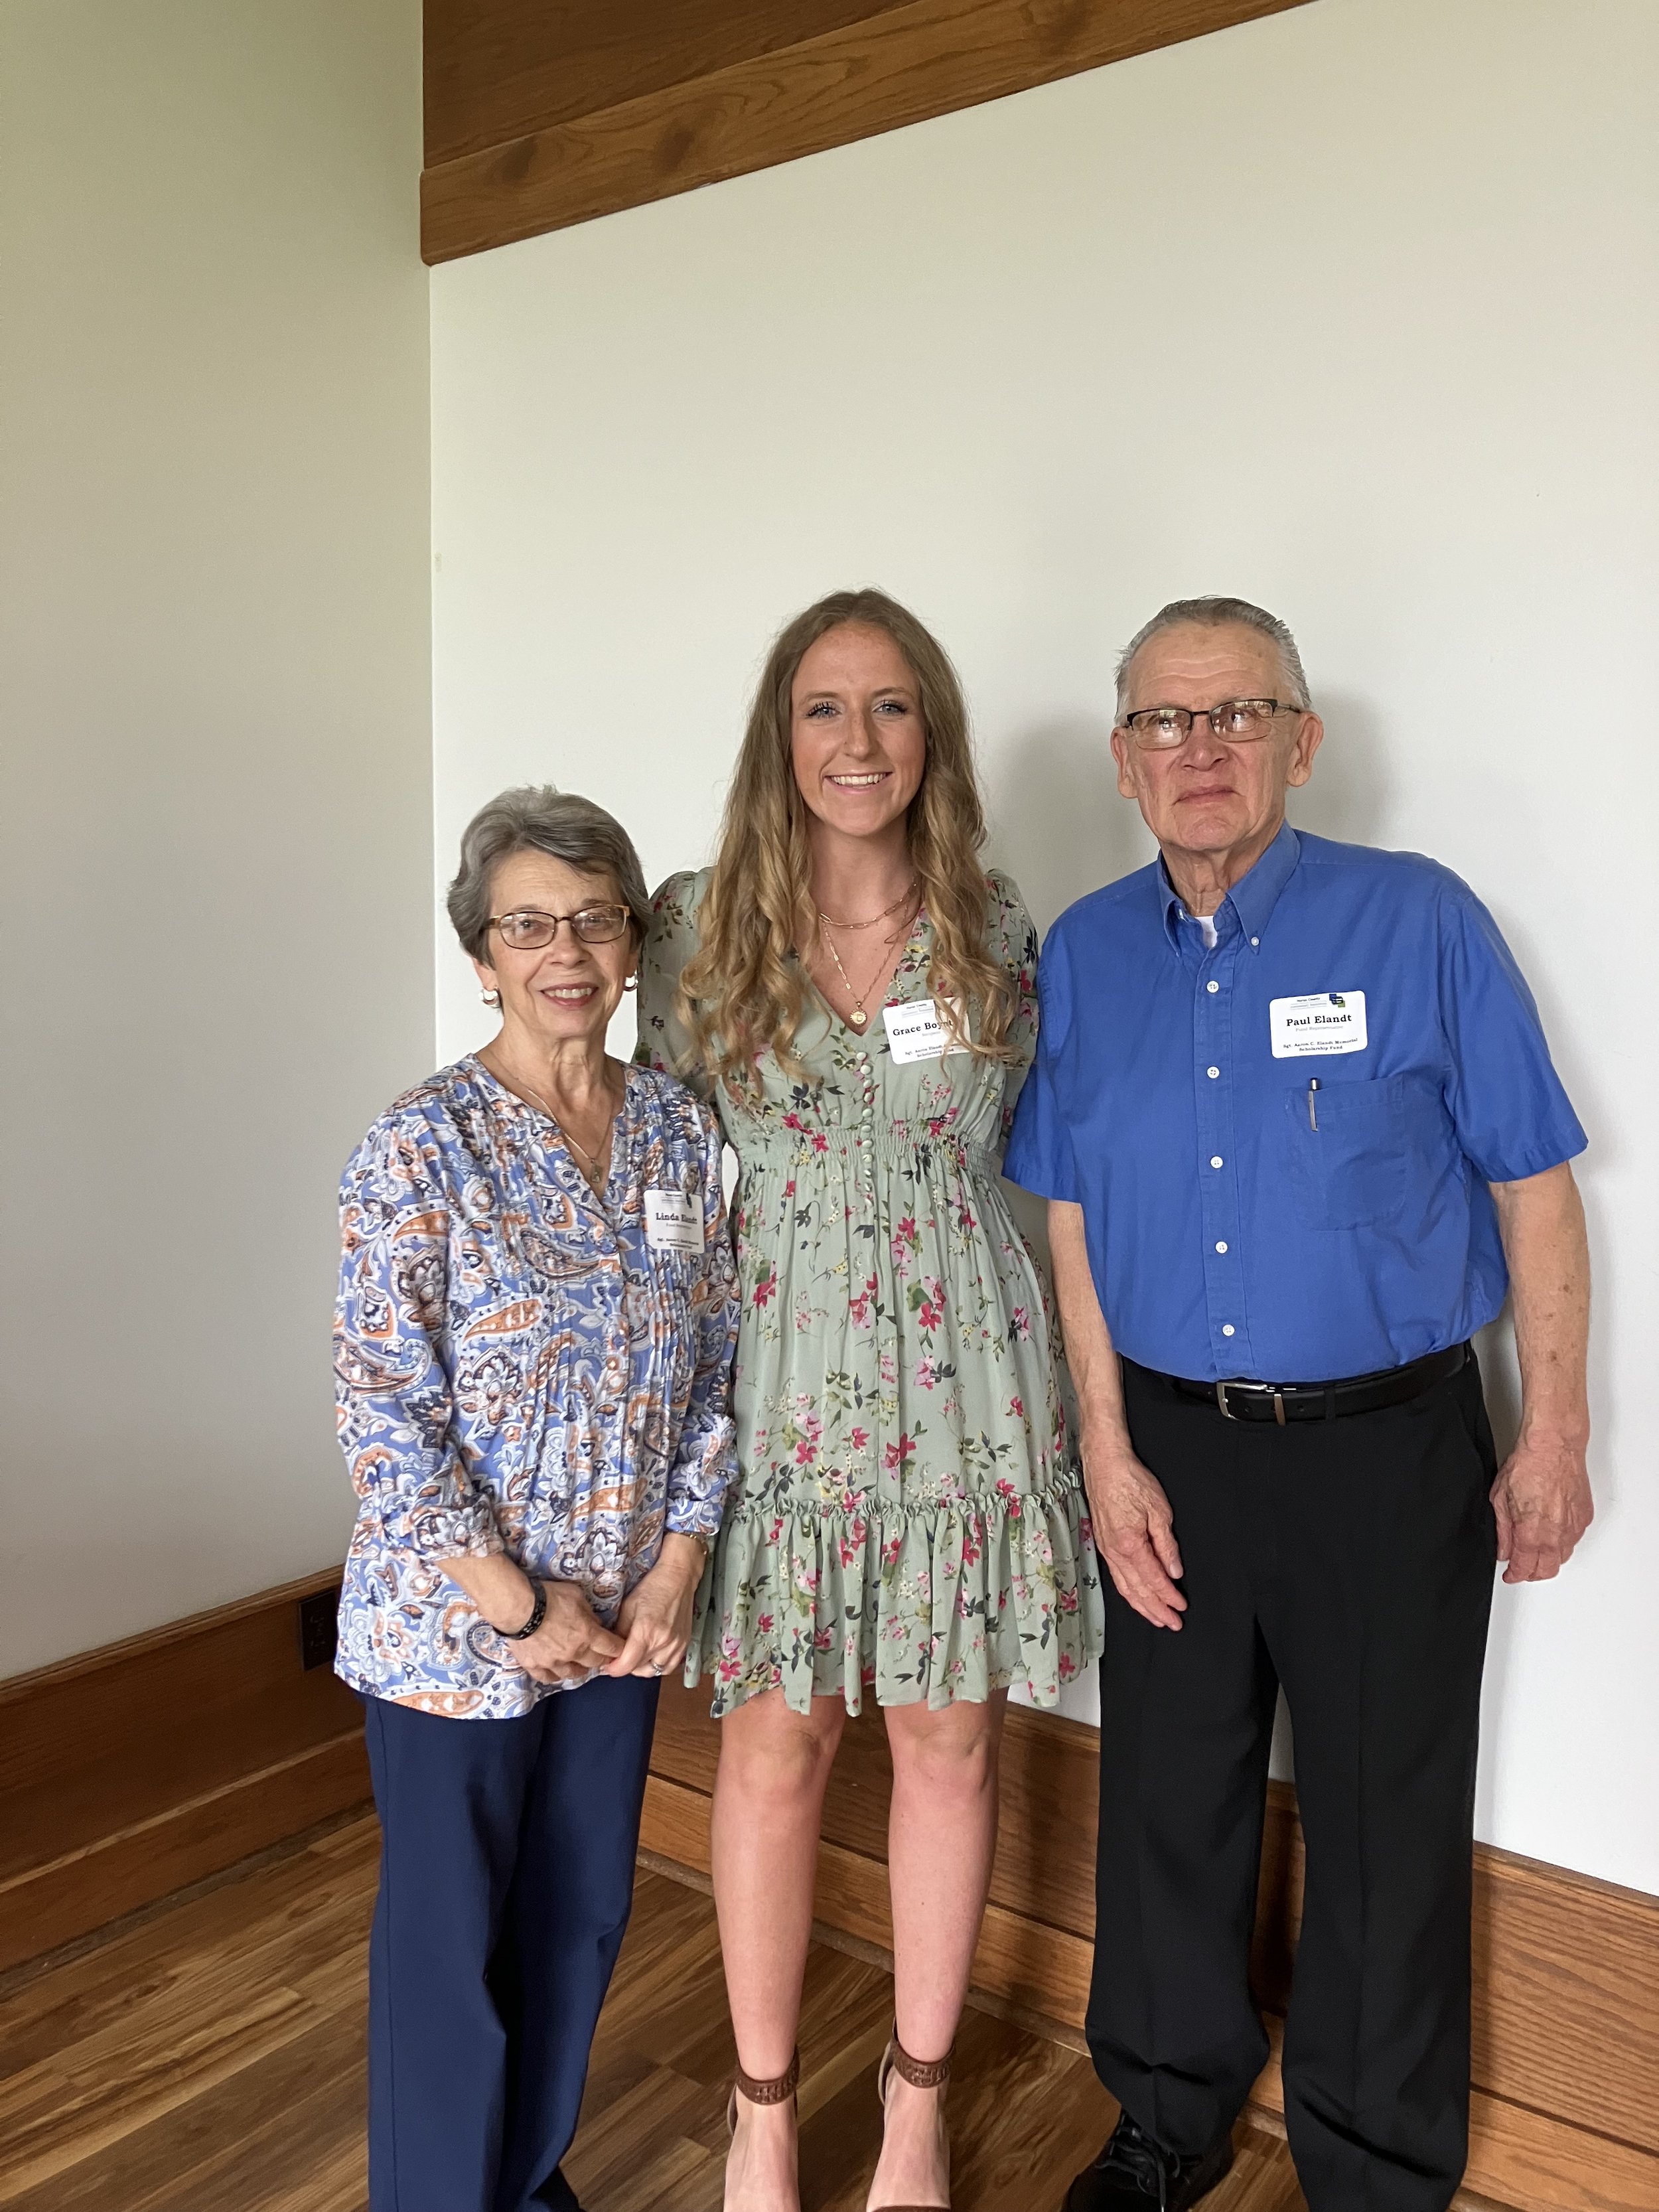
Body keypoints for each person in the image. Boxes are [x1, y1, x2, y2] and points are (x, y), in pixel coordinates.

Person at [1005, 597, 1592, 2212]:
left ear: (1298, 739)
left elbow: (1533, 1181)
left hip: (1390, 1446)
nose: (1199, 750)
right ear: (1122, 758)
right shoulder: (1083, 950)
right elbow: (1063, 1208)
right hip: (1171, 1443)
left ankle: (1373, 2162)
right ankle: (1165, 2111)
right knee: (1166, 1795)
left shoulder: (1416, 923)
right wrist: (1103, 1445)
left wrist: (1555, 1426)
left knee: (1384, 1819)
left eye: (1235, 714)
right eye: (1164, 722)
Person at [636, 589, 1104, 2212]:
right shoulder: (690, 931)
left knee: (949, 1738)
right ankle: (761, 2110)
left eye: (892, 707)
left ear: (933, 737)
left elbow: (1050, 1182)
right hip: (769, 1399)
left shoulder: (1000, 931)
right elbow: (661, 1196)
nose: (858, 740)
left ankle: (915, 2105)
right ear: (781, 733)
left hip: (967, 1394)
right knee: (770, 1749)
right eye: (825, 707)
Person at [333, 786, 739, 2212]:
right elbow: (381, 1407)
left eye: (592, 918)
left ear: (632, 943)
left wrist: (682, 1557)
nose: (564, 949)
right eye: (527, 922)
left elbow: (718, 1365)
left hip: (622, 1623)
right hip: (457, 1630)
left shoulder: (684, 1136)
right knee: (449, 1942)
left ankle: (515, 2173)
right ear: (481, 950)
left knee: (577, 1916)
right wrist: (513, 1603)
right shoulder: (419, 1146)